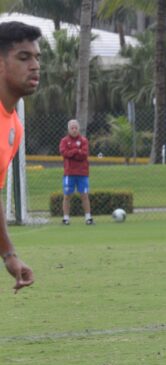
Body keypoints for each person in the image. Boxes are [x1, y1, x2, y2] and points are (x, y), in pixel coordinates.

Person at [0, 21, 40, 293]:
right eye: (23, 58)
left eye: (37, 57)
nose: (35, 65)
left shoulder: (14, 125)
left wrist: (9, 255)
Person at [59, 119, 93, 225]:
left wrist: (72, 152)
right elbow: (64, 153)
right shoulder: (64, 141)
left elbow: (84, 154)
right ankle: (66, 218)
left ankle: (88, 218)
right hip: (69, 173)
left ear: (79, 129)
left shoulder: (83, 140)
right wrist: (76, 151)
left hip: (82, 172)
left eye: (76, 128)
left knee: (84, 195)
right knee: (67, 195)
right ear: (68, 129)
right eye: (72, 128)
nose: (74, 130)